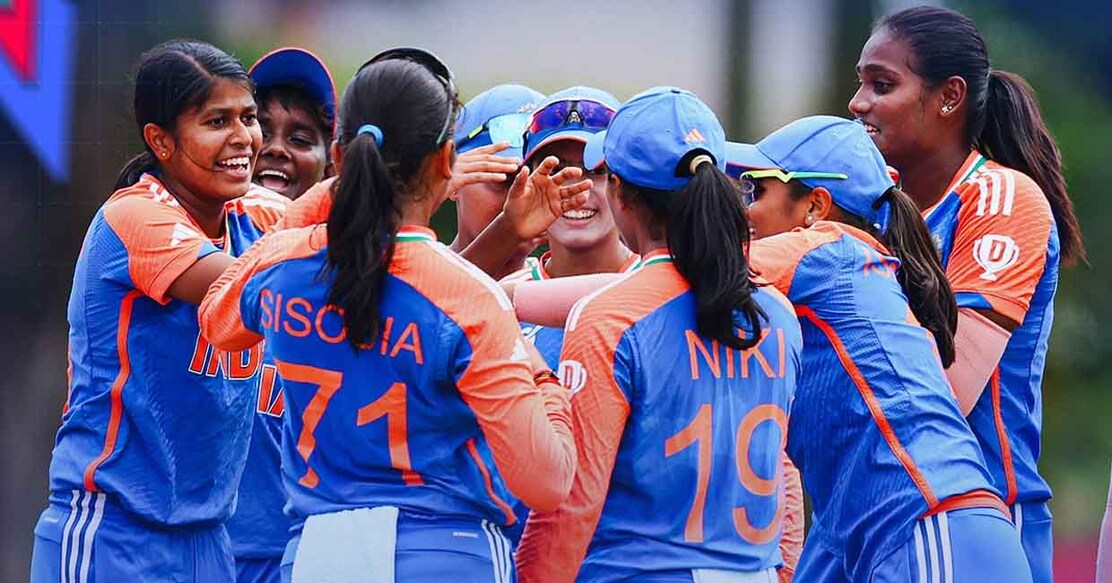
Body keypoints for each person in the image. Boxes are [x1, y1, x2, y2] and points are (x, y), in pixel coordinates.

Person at [198, 48, 579, 582]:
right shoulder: (467, 294)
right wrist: (543, 378)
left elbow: (217, 323)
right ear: (446, 162)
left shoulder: (284, 260)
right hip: (446, 552)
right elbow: (546, 479)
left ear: (338, 153)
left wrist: (326, 200)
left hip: (316, 554)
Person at [516, 86, 803, 583]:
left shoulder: (611, 315)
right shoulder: (777, 312)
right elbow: (783, 477)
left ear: (621, 195)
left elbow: (573, 504)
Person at [729, 115, 1031, 581]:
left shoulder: (829, 249)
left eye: (756, 189)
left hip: (933, 530)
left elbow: (662, 285)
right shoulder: (842, 296)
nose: (742, 208)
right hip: (906, 536)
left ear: (814, 207)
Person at [29, 40, 289, 582]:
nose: (243, 138)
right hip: (116, 531)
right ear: (161, 141)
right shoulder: (136, 217)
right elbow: (261, 296)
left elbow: (395, 280)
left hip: (209, 539)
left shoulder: (257, 215)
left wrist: (491, 230)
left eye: (248, 117)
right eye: (216, 121)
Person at [849, 7, 1085, 580]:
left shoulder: (1002, 199)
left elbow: (943, 392)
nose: (857, 102)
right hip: (868, 513)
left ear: (949, 97)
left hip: (975, 512)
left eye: (882, 84)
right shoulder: (871, 211)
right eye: (859, 82)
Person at [217, 46, 337, 583]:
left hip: (299, 550)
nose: (277, 149)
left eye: (302, 138)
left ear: (334, 162)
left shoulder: (351, 268)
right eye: (261, 127)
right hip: (186, 547)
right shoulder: (191, 237)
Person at [503, 86, 636, 369]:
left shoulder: (665, 286)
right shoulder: (502, 301)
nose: (577, 189)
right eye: (556, 170)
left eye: (597, 171)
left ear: (625, 182)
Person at [449, 83, 545, 277]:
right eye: (504, 179)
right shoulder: (400, 275)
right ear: (452, 182)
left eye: (537, 184)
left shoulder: (568, 293)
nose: (521, 199)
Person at [250, 47, 336, 200]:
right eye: (262, 134)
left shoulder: (344, 224)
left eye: (299, 140)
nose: (276, 149)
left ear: (329, 167)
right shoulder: (196, 221)